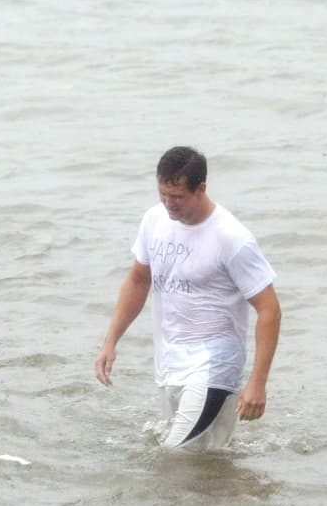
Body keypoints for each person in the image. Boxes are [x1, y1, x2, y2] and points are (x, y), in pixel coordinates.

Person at [95, 146, 282, 450]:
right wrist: (110, 341)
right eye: (163, 195)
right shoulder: (154, 220)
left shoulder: (232, 238)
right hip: (170, 361)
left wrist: (258, 382)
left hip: (215, 365)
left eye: (178, 197)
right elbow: (139, 280)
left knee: (173, 454)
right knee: (206, 458)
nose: (169, 204)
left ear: (201, 189)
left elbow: (270, 310)